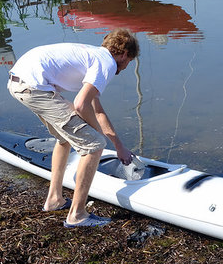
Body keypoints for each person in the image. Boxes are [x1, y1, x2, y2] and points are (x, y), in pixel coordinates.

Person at [7, 29, 139, 227]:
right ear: (124, 54)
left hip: (23, 83)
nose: (127, 67)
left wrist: (119, 146)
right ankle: (77, 215)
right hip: (34, 86)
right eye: (129, 61)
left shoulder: (93, 58)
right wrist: (97, 138)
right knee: (94, 146)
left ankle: (54, 199)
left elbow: (98, 111)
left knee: (65, 138)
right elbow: (80, 105)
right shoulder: (107, 64)